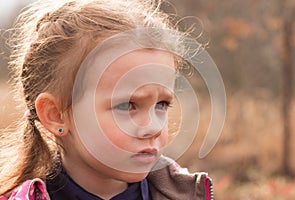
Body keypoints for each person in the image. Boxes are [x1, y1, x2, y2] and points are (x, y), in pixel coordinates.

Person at [0, 0, 213, 199]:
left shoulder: (184, 193)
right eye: (127, 105)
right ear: (56, 115)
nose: (154, 127)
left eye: (161, 105)